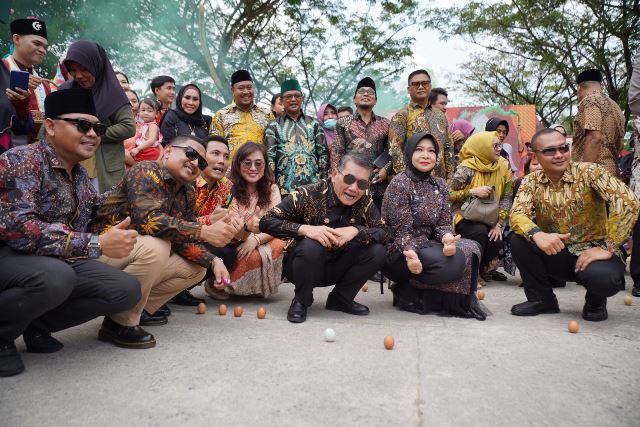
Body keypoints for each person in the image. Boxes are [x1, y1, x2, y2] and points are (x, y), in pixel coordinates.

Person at [0, 88, 140, 377]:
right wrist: (97, 244)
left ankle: (36, 325)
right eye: (82, 125)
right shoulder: (21, 160)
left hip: (49, 260)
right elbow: (20, 228)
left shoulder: (78, 173)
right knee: (55, 276)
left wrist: (143, 185)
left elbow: (96, 210)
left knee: (125, 289)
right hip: (9, 255)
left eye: (98, 127)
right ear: (50, 126)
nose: (93, 134)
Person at [90, 135, 244, 335]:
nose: (196, 163)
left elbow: (182, 239)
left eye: (202, 161)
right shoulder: (145, 170)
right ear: (169, 151)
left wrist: (214, 261)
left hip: (132, 254)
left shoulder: (188, 190)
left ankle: (140, 308)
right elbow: (148, 220)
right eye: (190, 154)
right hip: (99, 252)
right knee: (158, 245)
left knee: (197, 267)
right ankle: (118, 323)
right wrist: (204, 231)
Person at [510, 128, 639, 321]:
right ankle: (542, 300)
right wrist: (537, 233)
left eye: (563, 148)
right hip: (557, 252)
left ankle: (595, 302)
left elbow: (628, 201)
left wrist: (610, 246)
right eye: (550, 151)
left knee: (604, 280)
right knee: (517, 239)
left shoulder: (591, 173)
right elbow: (517, 213)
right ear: (534, 155)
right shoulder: (530, 181)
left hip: (594, 255)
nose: (559, 155)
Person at [259, 153, 388, 323]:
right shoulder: (307, 194)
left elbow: (384, 231)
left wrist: (356, 230)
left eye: (362, 183)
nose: (354, 189)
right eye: (349, 179)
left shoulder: (364, 200)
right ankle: (301, 300)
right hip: (302, 266)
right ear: (334, 174)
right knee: (311, 245)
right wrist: (305, 229)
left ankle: (341, 299)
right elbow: (266, 221)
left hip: (338, 266)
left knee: (378, 251)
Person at [382, 132, 486, 320]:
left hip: (428, 243)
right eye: (419, 150)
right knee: (452, 264)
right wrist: (411, 253)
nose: (426, 155)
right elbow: (402, 232)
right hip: (400, 250)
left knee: (471, 248)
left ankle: (435, 298)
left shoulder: (439, 184)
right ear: (409, 153)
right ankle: (407, 289)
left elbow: (444, 222)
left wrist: (447, 239)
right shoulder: (400, 183)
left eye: (431, 151)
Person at [206, 142, 285, 300]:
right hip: (232, 240)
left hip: (259, 239)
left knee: (279, 244)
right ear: (238, 164)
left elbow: (276, 225)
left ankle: (252, 287)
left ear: (265, 165)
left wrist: (255, 239)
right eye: (247, 163)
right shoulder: (228, 188)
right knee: (230, 251)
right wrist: (248, 230)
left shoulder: (272, 190)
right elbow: (229, 226)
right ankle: (220, 284)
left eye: (258, 163)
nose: (253, 168)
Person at [61, 40, 136, 192]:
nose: (79, 75)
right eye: (73, 70)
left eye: (84, 68)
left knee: (104, 210)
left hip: (104, 168)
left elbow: (128, 127)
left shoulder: (114, 94)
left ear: (96, 64)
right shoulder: (67, 91)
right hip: (71, 164)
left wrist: (95, 134)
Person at [449, 131, 513, 284]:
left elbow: (507, 196)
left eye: (500, 145)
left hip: (490, 217)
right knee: (479, 232)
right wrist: (472, 192)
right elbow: (447, 193)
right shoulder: (466, 168)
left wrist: (498, 223)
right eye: (494, 145)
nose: (499, 149)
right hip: (463, 214)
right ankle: (471, 274)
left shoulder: (504, 166)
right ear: (482, 147)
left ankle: (482, 269)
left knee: (496, 239)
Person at [332, 77, 391, 210]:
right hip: (350, 185)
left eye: (370, 92)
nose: (365, 94)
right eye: (361, 91)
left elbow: (392, 151)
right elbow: (337, 153)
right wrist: (336, 181)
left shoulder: (386, 124)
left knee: (376, 224)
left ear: (376, 100)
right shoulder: (342, 123)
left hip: (377, 185)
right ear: (354, 99)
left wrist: (385, 170)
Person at [265, 78, 328, 196]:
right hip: (285, 190)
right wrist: (272, 187)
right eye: (288, 97)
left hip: (314, 188)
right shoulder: (273, 126)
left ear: (302, 98)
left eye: (297, 96)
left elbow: (323, 154)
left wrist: (323, 182)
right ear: (282, 100)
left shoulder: (314, 123)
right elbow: (269, 158)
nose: (293, 99)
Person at [389, 69, 454, 179]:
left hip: (440, 183)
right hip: (413, 183)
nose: (420, 87)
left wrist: (450, 177)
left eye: (424, 83)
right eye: (415, 84)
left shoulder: (440, 115)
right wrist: (406, 180)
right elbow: (395, 151)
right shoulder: (401, 116)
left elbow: (449, 147)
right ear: (408, 89)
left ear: (430, 86)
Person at [2, 18, 52, 147]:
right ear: (16, 39)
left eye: (45, 47)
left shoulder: (44, 85)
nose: (42, 50)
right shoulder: (2, 71)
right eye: (37, 44)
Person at [572, 69, 625, 178]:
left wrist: (585, 173)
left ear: (579, 88)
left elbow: (594, 137)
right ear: (602, 86)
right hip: (612, 171)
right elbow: (621, 143)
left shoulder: (590, 101)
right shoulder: (615, 106)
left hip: (595, 174)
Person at [210, 70, 272, 161]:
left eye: (249, 87)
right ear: (233, 90)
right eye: (241, 88)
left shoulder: (267, 114)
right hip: (230, 173)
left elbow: (273, 146)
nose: (246, 92)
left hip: (259, 171)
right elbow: (214, 147)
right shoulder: (220, 116)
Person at [126, 98, 162, 163]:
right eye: (143, 110)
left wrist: (138, 149)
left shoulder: (152, 126)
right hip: (145, 150)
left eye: (150, 111)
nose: (146, 113)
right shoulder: (144, 124)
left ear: (156, 114)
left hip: (149, 151)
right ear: (139, 112)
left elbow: (151, 140)